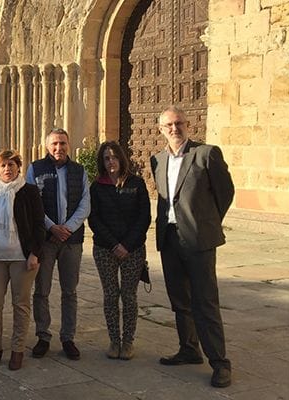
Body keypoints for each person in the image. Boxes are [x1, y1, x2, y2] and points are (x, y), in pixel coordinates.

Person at [150, 106, 235, 388]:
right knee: (180, 299)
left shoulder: (206, 154)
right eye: (169, 125)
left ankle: (220, 362)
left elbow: (225, 193)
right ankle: (189, 348)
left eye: (179, 123)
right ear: (161, 129)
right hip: (170, 239)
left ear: (188, 125)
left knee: (205, 301)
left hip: (198, 240)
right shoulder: (158, 160)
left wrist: (207, 222)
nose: (174, 129)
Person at [0, 150, 45, 370]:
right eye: (3, 165)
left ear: (18, 167)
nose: (7, 169)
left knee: (20, 305)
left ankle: (18, 350)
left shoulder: (29, 192)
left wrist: (35, 253)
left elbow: (38, 225)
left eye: (11, 165)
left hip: (22, 258)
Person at [25, 128, 90, 360]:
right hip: (45, 240)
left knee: (69, 291)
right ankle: (43, 336)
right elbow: (32, 203)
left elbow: (85, 203)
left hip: (71, 241)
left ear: (68, 145)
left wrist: (68, 228)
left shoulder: (79, 170)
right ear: (47, 146)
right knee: (41, 290)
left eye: (62, 143)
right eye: (54, 144)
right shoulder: (35, 169)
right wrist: (52, 227)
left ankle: (68, 337)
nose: (58, 148)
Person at [88, 141, 150, 360]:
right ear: (101, 162)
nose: (111, 161)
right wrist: (114, 245)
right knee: (111, 295)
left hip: (133, 250)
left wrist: (127, 245)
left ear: (121, 158)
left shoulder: (136, 183)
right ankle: (114, 341)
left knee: (129, 296)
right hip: (106, 249)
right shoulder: (96, 187)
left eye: (114, 157)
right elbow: (94, 219)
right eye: (106, 158)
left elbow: (144, 218)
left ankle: (128, 342)